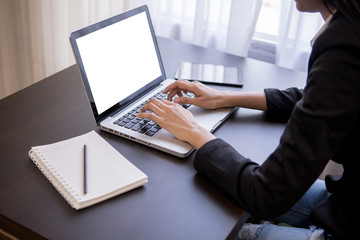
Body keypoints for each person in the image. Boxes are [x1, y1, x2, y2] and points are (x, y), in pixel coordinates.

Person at [137, 0, 360, 239]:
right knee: (222, 189)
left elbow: (266, 195)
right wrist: (223, 97)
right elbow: (319, 97)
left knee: (226, 228)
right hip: (345, 202)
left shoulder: (344, 45)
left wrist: (193, 130)